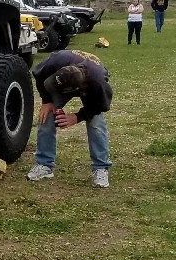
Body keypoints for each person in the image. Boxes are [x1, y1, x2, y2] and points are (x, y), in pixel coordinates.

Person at [27, 50, 113, 188]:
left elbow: (101, 106)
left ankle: (100, 167)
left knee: (95, 122)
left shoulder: (98, 84)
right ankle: (44, 165)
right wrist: (47, 101)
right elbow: (40, 76)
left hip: (89, 84)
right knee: (47, 114)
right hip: (67, 74)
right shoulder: (56, 61)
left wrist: (77, 117)